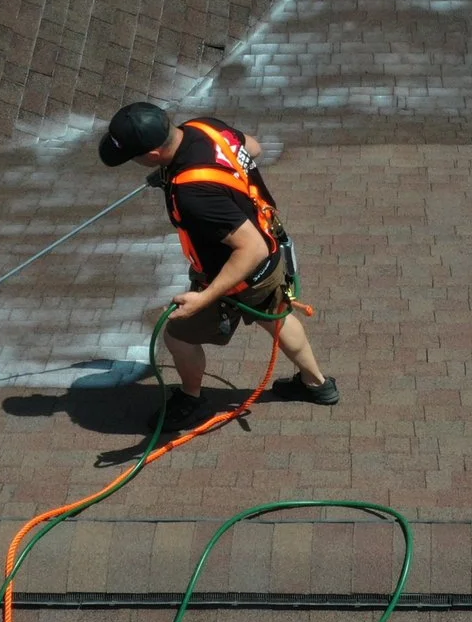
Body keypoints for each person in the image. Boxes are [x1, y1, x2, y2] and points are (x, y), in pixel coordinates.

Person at [99, 102, 339, 440]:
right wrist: (174, 175)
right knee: (278, 319)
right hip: (270, 253)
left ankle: (191, 399)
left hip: (234, 273)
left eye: (134, 157)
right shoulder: (203, 128)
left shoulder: (192, 193)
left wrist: (204, 298)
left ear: (153, 154)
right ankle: (318, 385)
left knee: (176, 335)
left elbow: (249, 249)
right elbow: (250, 147)